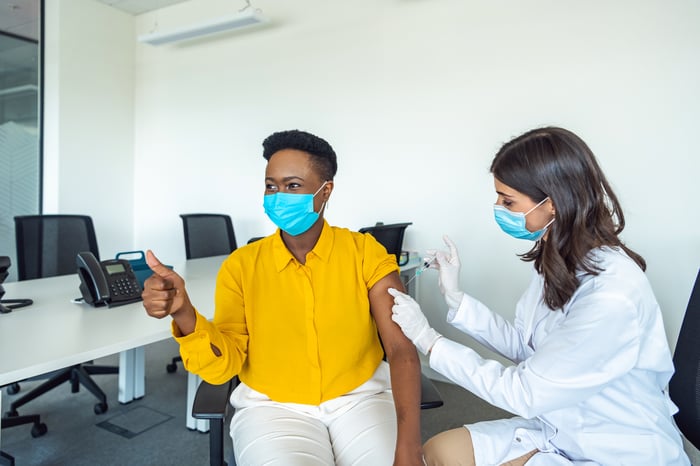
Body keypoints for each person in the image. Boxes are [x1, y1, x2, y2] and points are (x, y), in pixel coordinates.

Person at [388, 127, 691, 465]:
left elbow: (524, 392)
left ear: (553, 203)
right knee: (437, 452)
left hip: (614, 446)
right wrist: (456, 297)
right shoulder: (559, 257)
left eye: (508, 201)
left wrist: (430, 340)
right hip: (560, 422)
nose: (498, 208)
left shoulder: (611, 295)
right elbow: (526, 345)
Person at [142, 129, 424, 465]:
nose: (278, 196)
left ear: (325, 192)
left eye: (292, 186)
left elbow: (400, 348)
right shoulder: (242, 266)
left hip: (361, 397)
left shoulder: (365, 253)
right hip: (271, 407)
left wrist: (408, 448)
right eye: (271, 186)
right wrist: (184, 313)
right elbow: (223, 368)